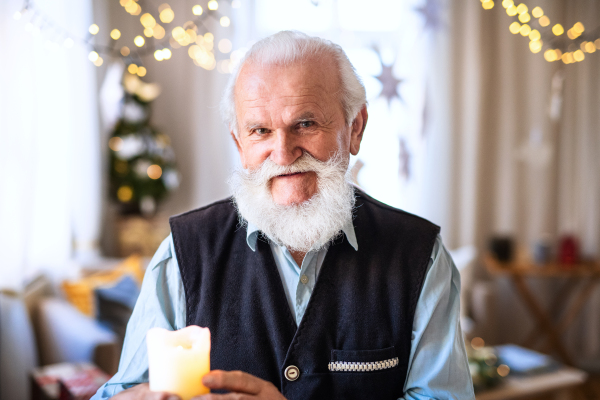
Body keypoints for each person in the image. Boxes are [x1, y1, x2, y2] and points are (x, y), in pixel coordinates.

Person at [92, 31, 474, 400]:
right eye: (260, 130)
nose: (283, 152)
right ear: (240, 144)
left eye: (305, 124)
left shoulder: (420, 256)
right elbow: (121, 392)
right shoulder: (181, 254)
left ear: (354, 128)